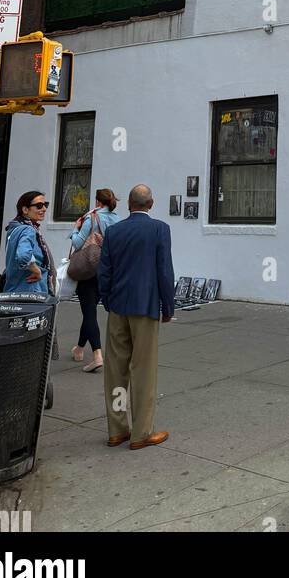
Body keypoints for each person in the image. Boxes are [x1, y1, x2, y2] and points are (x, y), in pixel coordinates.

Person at [97, 184, 175, 450]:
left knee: (116, 370)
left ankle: (117, 429)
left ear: (129, 204)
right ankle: (142, 431)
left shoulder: (113, 231)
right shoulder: (159, 230)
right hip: (146, 306)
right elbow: (164, 271)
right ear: (150, 204)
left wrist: (107, 300)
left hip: (118, 305)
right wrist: (168, 306)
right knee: (143, 369)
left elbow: (104, 271)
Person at [70, 189, 121, 373]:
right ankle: (79, 349)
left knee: (89, 312)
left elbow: (77, 243)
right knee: (90, 310)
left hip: (88, 269)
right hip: (106, 270)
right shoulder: (117, 219)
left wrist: (75, 229)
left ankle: (97, 354)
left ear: (98, 201)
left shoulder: (91, 218)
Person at [3, 191, 57, 298]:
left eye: (45, 205)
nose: (44, 209)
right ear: (25, 210)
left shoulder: (15, 228)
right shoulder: (28, 230)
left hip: (15, 290)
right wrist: (36, 271)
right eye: (39, 206)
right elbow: (23, 256)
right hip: (31, 292)